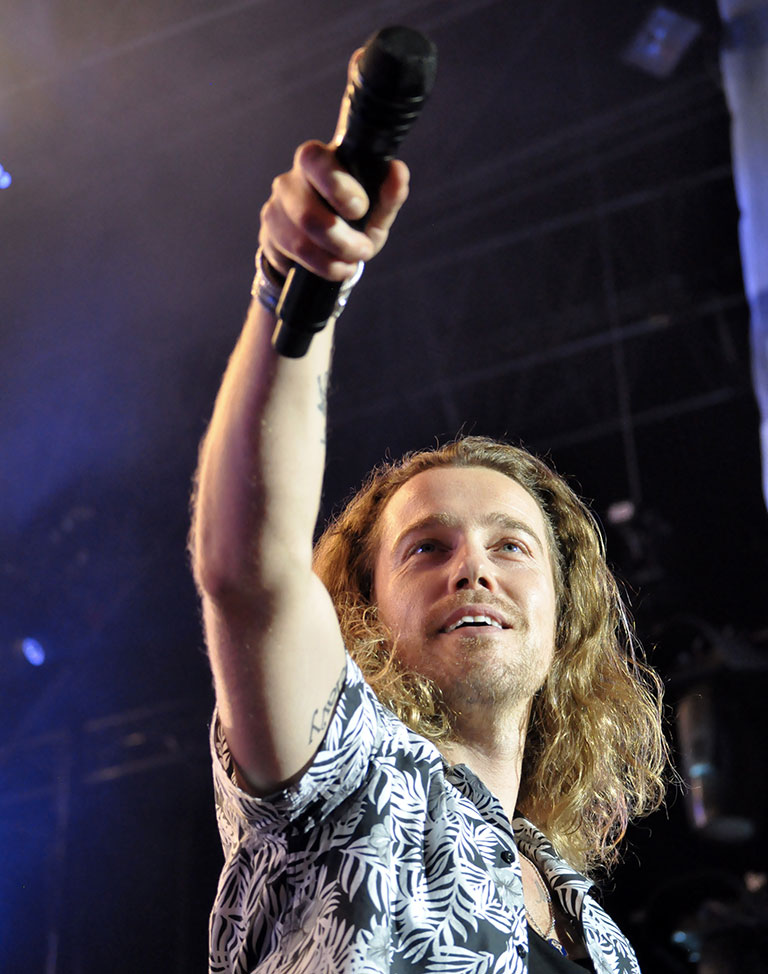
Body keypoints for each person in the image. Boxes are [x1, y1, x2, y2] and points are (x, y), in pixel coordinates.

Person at [190, 53, 668, 974]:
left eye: (512, 546)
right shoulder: (342, 778)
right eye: (425, 548)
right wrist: (295, 291)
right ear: (363, 611)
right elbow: (247, 571)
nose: (473, 567)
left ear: (564, 612)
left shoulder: (604, 941)